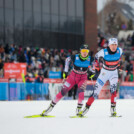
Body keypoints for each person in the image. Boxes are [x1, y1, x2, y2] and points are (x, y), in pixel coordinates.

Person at [41, 44, 94, 116]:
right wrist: (65, 71)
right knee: (62, 92)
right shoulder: (75, 57)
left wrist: (92, 72)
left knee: (81, 92)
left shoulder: (90, 59)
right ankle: (49, 108)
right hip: (72, 77)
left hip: (83, 78)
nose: (85, 53)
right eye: (83, 51)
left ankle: (78, 110)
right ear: (80, 51)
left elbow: (93, 66)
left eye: (86, 51)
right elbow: (67, 60)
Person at [78, 38, 123, 117]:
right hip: (104, 73)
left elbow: (119, 59)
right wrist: (95, 67)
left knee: (113, 91)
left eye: (115, 45)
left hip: (114, 73)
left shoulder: (120, 50)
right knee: (96, 92)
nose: (114, 46)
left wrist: (118, 66)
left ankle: (113, 111)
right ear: (109, 45)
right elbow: (96, 57)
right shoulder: (104, 52)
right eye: (112, 45)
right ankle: (85, 109)